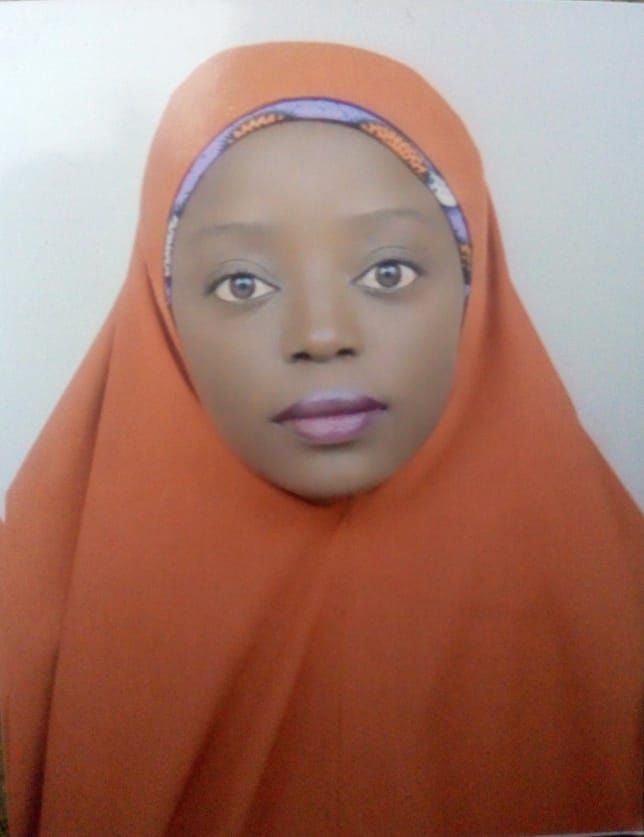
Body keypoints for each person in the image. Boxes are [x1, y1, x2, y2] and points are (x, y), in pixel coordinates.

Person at [0, 41, 641, 837]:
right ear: (163, 311)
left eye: (388, 272)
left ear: (475, 288)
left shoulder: (619, 614)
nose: (321, 334)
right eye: (242, 283)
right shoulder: (26, 627)